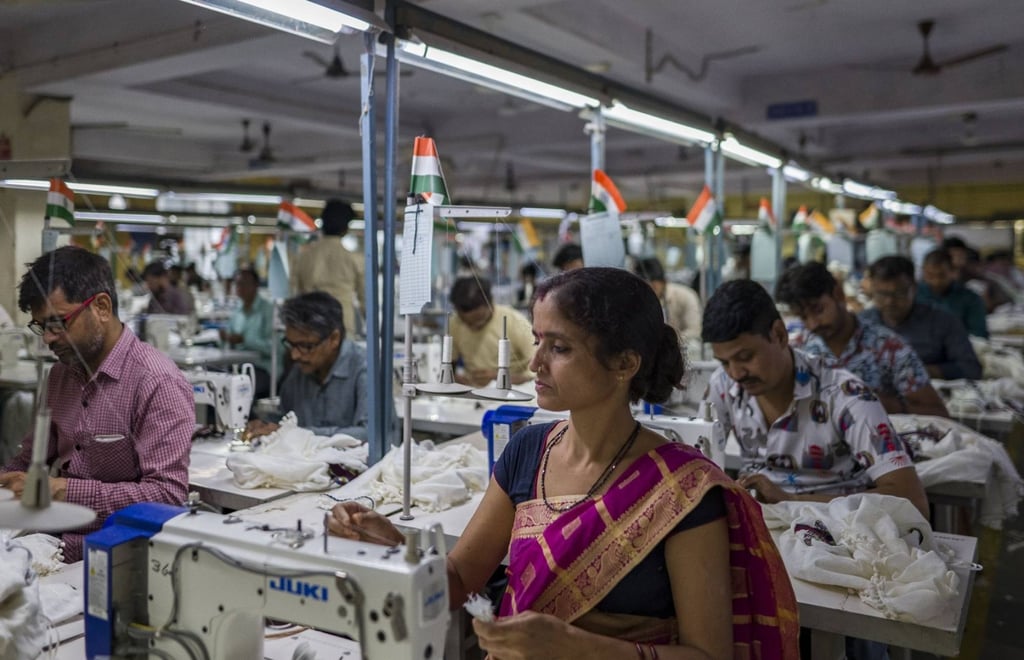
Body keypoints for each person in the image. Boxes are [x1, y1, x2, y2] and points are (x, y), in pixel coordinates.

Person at [327, 267, 800, 658]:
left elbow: (709, 657)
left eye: (559, 347)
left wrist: (577, 647)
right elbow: (454, 582)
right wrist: (393, 546)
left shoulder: (684, 491)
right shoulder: (527, 453)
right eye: (537, 341)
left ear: (624, 364)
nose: (534, 363)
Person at [0, 246, 193, 562]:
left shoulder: (157, 382)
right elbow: (29, 458)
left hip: (117, 558)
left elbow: (167, 497)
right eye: (40, 327)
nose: (47, 339)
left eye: (57, 323)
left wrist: (61, 491)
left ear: (101, 306)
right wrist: (9, 479)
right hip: (51, 547)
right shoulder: (61, 375)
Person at [703, 279, 929, 520]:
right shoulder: (724, 386)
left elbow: (912, 501)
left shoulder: (845, 395)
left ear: (779, 335)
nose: (736, 373)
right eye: (725, 362)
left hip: (838, 529)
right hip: (760, 524)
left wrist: (792, 502)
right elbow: (697, 471)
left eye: (746, 357)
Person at [777, 262, 948, 417]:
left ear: (839, 294)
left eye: (818, 310)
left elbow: (939, 413)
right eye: (803, 317)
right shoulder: (799, 349)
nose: (812, 324)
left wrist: (888, 405)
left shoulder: (889, 348)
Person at [245, 292, 383, 442]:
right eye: (291, 344)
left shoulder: (366, 369)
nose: (295, 355)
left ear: (334, 338)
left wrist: (296, 434)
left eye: (306, 346)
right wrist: (265, 426)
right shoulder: (299, 373)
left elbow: (370, 434)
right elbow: (285, 419)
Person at [861, 256, 982, 380]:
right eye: (882, 294)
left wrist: (917, 371)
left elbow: (971, 369)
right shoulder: (862, 323)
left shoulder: (943, 322)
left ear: (914, 288)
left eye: (899, 293)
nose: (889, 301)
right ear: (872, 289)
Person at [290, 198, 365, 336]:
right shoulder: (354, 259)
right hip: (342, 327)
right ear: (346, 228)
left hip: (311, 326)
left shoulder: (303, 256)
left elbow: (295, 293)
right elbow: (365, 300)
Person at [448, 276, 535, 387]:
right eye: (466, 322)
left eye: (479, 321)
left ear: (490, 303)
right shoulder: (455, 322)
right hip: (472, 393)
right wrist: (457, 379)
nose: (473, 327)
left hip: (511, 391)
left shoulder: (514, 322)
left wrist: (497, 378)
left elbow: (538, 372)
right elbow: (450, 367)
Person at [220, 267, 274, 399]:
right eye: (237, 284)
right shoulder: (237, 311)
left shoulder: (268, 311)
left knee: (236, 392)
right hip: (237, 366)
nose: (239, 288)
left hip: (263, 368)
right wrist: (225, 339)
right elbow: (228, 341)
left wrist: (245, 340)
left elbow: (274, 348)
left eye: (244, 284)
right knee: (214, 384)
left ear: (255, 286)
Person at [917, 248, 989, 338]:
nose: (936, 281)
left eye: (941, 275)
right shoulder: (914, 296)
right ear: (923, 271)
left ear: (952, 272)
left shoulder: (970, 299)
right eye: (930, 275)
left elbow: (978, 334)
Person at [632, 256, 703, 340]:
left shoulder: (686, 296)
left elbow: (695, 330)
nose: (650, 291)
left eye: (654, 287)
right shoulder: (637, 301)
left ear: (663, 282)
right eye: (645, 288)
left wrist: (671, 342)